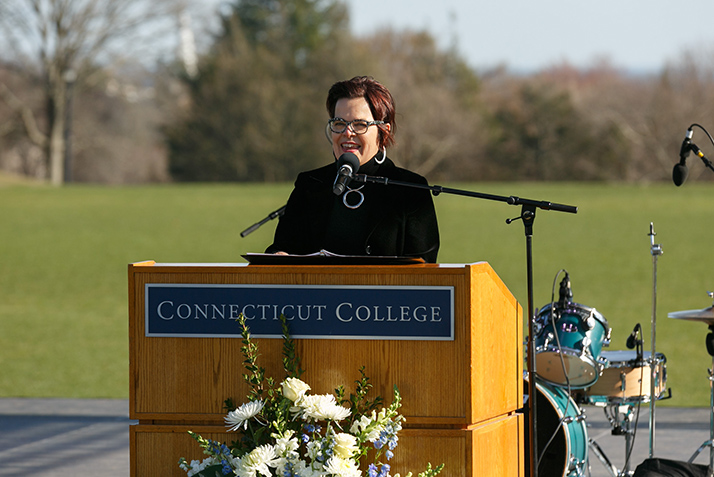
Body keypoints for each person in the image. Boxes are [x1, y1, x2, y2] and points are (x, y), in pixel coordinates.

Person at [265, 76, 440, 263]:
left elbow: (424, 273)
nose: (347, 132)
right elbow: (282, 249)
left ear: (384, 132)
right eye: (339, 123)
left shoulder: (411, 189)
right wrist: (279, 256)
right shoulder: (310, 185)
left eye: (359, 125)